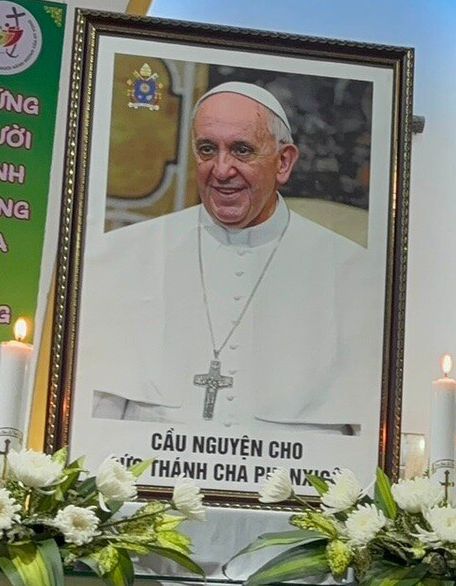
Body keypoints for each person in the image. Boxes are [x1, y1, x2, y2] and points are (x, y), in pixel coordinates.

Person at [82, 81, 379, 435]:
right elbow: (96, 420)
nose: (221, 170)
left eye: (242, 150)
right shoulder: (128, 256)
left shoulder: (350, 271)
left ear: (283, 163)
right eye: (207, 149)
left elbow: (365, 435)